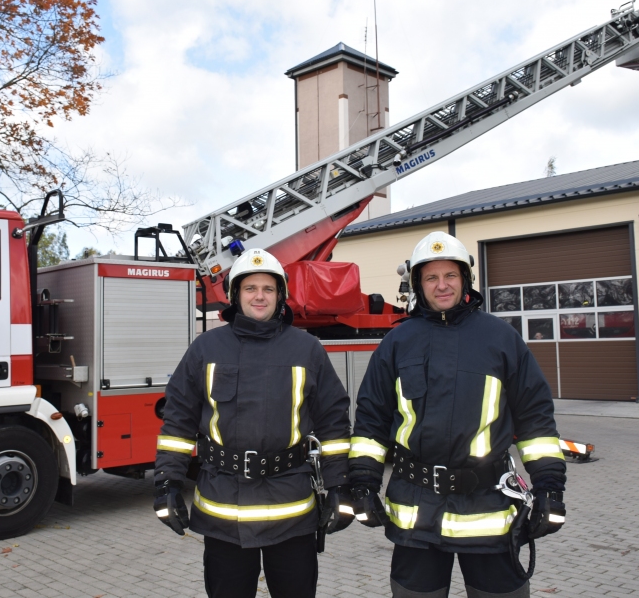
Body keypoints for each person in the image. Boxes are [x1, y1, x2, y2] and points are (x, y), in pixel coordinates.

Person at [348, 231, 567, 598]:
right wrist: (363, 485)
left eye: (450, 275)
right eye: (431, 277)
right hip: (415, 510)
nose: (442, 285)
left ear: (465, 279)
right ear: (418, 284)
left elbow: (535, 419)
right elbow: (371, 420)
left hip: (489, 508)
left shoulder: (500, 338)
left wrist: (550, 488)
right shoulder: (397, 343)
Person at [153, 248, 354, 598]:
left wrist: (339, 487)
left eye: (268, 288)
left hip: (292, 509)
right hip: (222, 508)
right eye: (250, 288)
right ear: (235, 295)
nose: (259, 296)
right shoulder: (206, 348)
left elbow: (333, 422)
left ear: (281, 296)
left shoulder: (307, 350)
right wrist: (167, 483)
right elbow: (178, 420)